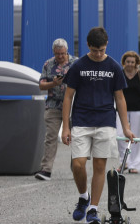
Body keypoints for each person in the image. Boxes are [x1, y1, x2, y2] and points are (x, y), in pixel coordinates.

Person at [61, 27, 134, 224]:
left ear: (106, 45)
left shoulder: (113, 67)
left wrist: (126, 127)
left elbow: (120, 99)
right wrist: (66, 127)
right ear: (88, 46)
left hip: (105, 121)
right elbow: (68, 97)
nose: (98, 54)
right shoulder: (78, 66)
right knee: (78, 164)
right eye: (94, 50)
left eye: (101, 50)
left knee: (100, 166)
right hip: (81, 121)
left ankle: (93, 208)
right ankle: (83, 196)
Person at [35, 38, 77, 181]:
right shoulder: (48, 64)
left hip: (74, 105)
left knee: (77, 137)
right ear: (54, 52)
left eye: (63, 53)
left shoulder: (76, 63)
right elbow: (41, 85)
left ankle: (77, 168)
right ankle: (46, 169)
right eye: (57, 54)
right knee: (51, 137)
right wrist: (53, 83)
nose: (60, 56)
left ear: (67, 51)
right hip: (54, 105)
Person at [115, 51, 140, 174]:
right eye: (127, 62)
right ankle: (125, 162)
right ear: (124, 62)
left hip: (138, 109)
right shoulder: (120, 74)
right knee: (120, 136)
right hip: (121, 109)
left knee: (137, 137)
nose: (129, 64)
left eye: (132, 62)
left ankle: (136, 165)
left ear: (136, 63)